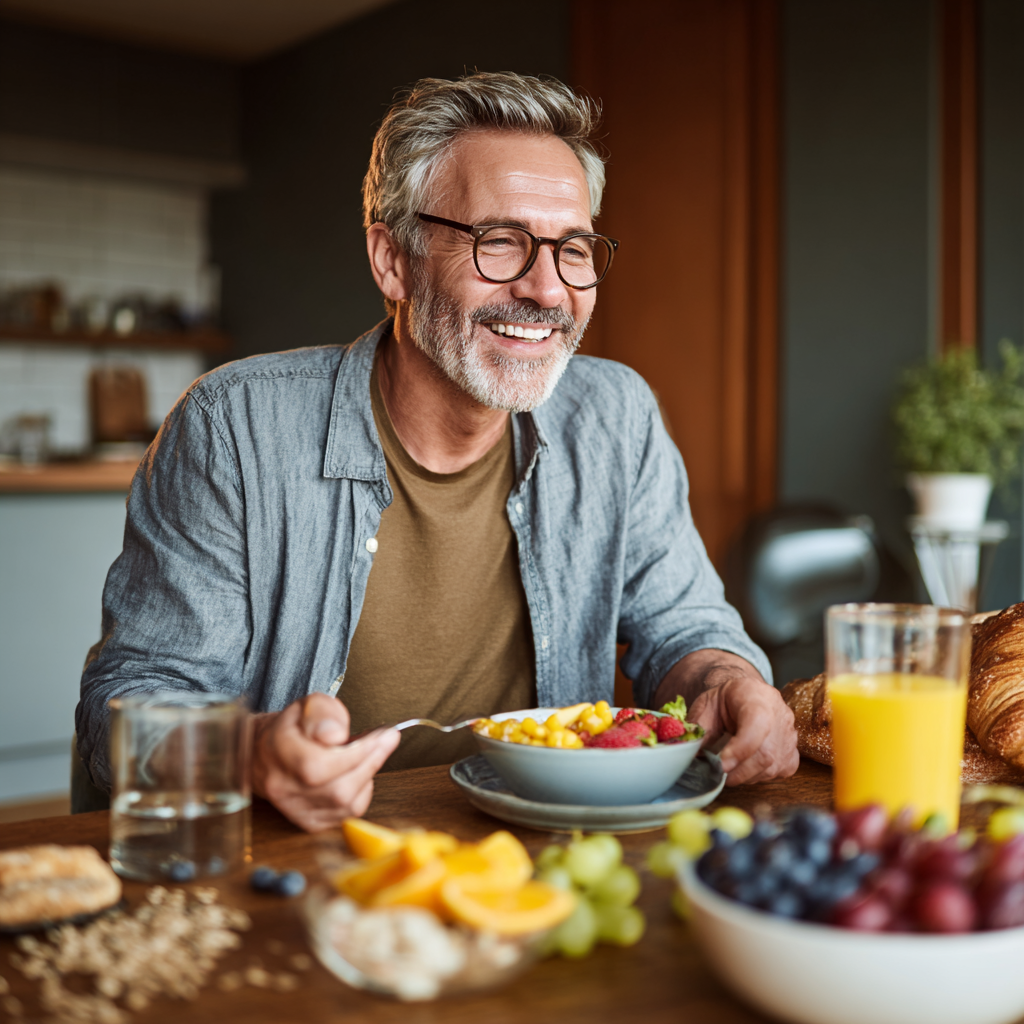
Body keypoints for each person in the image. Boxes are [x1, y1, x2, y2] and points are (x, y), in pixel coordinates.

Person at [77, 72, 798, 832]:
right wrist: (250, 752)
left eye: (574, 249)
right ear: (393, 260)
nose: (548, 290)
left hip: (539, 857)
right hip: (298, 860)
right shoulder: (233, 426)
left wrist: (728, 678)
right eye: (501, 243)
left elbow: (686, 625)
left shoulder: (617, 416)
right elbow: (125, 712)